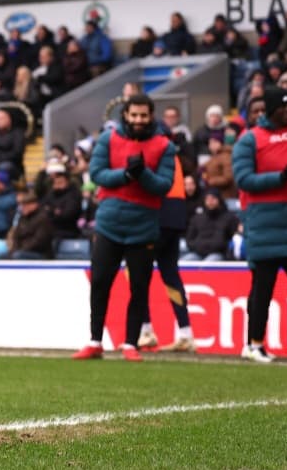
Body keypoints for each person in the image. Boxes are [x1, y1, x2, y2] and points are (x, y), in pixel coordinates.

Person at [73, 93, 175, 362]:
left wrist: (143, 174)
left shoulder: (165, 145)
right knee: (100, 283)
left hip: (144, 226)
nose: (139, 120)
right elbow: (97, 174)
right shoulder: (108, 138)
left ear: (151, 116)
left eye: (144, 115)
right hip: (109, 223)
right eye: (134, 115)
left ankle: (131, 343)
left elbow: (164, 185)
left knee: (139, 287)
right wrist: (126, 175)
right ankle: (95, 340)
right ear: (126, 115)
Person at [231, 87, 287, 363]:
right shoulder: (250, 139)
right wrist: (279, 178)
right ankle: (254, 344)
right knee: (262, 288)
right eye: (284, 107)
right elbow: (244, 180)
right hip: (264, 222)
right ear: (269, 110)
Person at [137, 154, 196, 353]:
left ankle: (145, 331)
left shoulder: (153, 148)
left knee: (136, 272)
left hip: (158, 215)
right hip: (176, 216)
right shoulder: (173, 154)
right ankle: (186, 333)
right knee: (171, 275)